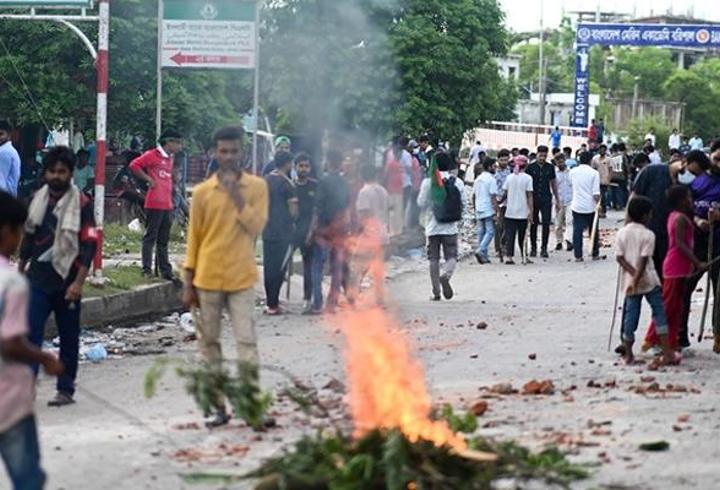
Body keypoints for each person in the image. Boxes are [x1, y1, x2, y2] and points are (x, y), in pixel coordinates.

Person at [183, 126, 269, 427]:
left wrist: (237, 197)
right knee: (209, 346)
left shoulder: (257, 187)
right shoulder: (203, 192)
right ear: (214, 153)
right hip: (207, 278)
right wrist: (187, 280)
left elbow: (257, 227)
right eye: (223, 151)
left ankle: (250, 405)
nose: (229, 156)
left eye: (234, 151)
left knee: (247, 342)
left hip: (242, 278)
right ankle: (218, 406)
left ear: (242, 153)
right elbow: (193, 238)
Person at [18, 146, 97, 407]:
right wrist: (20, 272)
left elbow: (89, 244)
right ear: (45, 173)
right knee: (31, 337)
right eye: (52, 171)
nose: (56, 176)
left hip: (68, 280)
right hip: (37, 280)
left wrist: (78, 282)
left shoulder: (83, 204)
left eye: (62, 172)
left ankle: (65, 389)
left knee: (69, 337)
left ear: (70, 174)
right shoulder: (36, 200)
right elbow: (27, 239)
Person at [0, 191, 64, 489]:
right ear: (8, 231)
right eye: (21, 232)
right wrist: (45, 359)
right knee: (27, 478)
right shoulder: (13, 282)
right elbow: (11, 343)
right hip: (8, 397)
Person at [643, 185, 706, 353]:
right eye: (688, 197)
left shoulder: (677, 216)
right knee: (668, 306)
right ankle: (653, 340)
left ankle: (671, 342)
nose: (691, 201)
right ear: (680, 200)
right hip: (675, 266)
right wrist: (697, 262)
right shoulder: (679, 218)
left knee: (677, 307)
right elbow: (679, 244)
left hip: (680, 267)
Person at [616, 196, 677, 366]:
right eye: (650, 214)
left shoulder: (622, 233)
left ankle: (628, 354)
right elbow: (644, 260)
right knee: (659, 313)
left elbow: (620, 258)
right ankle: (667, 352)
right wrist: (638, 277)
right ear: (644, 216)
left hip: (630, 282)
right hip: (650, 281)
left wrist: (633, 277)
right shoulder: (648, 235)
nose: (651, 217)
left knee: (630, 317)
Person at [679, 146, 720, 349]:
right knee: (685, 288)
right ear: (710, 157)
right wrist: (697, 220)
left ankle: (718, 337)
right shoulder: (697, 183)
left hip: (719, 247)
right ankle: (680, 336)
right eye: (717, 158)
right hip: (696, 246)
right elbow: (686, 209)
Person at [129, 129, 183, 280]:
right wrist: (148, 179)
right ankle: (146, 269)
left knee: (163, 239)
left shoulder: (169, 159)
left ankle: (165, 270)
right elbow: (134, 165)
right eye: (177, 143)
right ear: (168, 142)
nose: (179, 146)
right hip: (154, 203)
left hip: (167, 204)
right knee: (150, 237)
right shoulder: (152, 155)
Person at [417, 150, 466, 298]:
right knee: (451, 256)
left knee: (434, 259)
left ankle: (436, 292)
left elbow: (420, 202)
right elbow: (463, 203)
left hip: (432, 227)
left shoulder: (428, 182)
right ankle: (446, 275)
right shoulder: (457, 182)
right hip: (450, 227)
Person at [309, 149, 351, 314]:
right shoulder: (344, 183)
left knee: (317, 266)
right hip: (340, 230)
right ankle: (331, 304)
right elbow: (347, 207)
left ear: (328, 162)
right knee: (336, 267)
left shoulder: (323, 182)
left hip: (324, 230)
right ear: (340, 163)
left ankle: (317, 303)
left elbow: (317, 207)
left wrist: (312, 229)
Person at [262, 151, 297, 315]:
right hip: (283, 231)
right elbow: (293, 211)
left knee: (269, 267)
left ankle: (270, 302)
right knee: (279, 268)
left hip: (267, 229)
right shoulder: (287, 184)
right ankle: (273, 304)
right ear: (288, 163)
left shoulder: (265, 180)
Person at [350, 164, 389, 306]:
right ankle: (380, 300)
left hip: (369, 235)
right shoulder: (383, 191)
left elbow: (363, 216)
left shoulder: (364, 192)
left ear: (361, 175)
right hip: (383, 234)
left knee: (357, 267)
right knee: (377, 269)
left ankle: (352, 298)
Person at [631, 152, 674, 280]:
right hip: (652, 228)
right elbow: (633, 200)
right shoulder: (650, 172)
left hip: (670, 235)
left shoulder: (691, 180)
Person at [292, 153, 317, 313]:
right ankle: (273, 300)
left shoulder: (315, 186)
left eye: (306, 166)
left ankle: (307, 299)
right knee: (279, 264)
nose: (304, 169)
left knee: (308, 267)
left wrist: (310, 232)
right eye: (301, 166)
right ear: (295, 167)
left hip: (309, 231)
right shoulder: (290, 186)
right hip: (292, 231)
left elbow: (316, 211)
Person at [525, 145, 559, 258]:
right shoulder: (530, 167)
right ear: (537, 154)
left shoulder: (550, 167)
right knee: (533, 223)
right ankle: (533, 247)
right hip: (533, 198)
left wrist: (557, 198)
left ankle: (544, 248)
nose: (542, 158)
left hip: (546, 198)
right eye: (540, 155)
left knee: (546, 223)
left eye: (544, 156)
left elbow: (553, 183)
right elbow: (526, 184)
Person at [501, 155, 533, 265]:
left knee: (510, 236)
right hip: (523, 212)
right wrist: (531, 211)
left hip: (510, 211)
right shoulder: (528, 178)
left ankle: (509, 257)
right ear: (526, 165)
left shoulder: (509, 177)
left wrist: (499, 202)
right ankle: (524, 256)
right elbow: (529, 195)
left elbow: (505, 193)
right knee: (522, 236)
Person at [569, 152, 601, 261]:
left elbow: (570, 185)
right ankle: (595, 253)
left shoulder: (572, 172)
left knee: (577, 230)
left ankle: (578, 255)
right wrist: (599, 205)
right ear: (590, 160)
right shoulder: (594, 173)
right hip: (590, 206)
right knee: (593, 230)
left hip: (577, 205)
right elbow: (596, 193)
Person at [473, 157, 498, 264]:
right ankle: (481, 250)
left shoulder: (478, 179)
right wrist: (496, 211)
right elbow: (493, 197)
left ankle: (484, 256)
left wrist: (474, 207)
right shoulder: (491, 179)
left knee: (481, 232)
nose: (495, 168)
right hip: (488, 207)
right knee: (490, 231)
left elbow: (473, 195)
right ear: (489, 167)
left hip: (479, 207)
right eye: (494, 166)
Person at [384, 141, 405, 237]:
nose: (400, 155)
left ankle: (398, 231)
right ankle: (393, 231)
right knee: (392, 211)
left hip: (399, 190)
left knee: (398, 211)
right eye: (399, 153)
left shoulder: (398, 163)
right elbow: (386, 174)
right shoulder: (391, 163)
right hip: (392, 190)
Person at [494, 149, 512, 261]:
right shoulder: (495, 172)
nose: (504, 162)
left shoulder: (511, 172)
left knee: (507, 226)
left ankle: (504, 245)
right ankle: (498, 248)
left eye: (506, 160)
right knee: (498, 226)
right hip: (497, 202)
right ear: (498, 160)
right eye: (502, 160)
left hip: (509, 202)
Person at [553, 152, 573, 251]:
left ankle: (568, 240)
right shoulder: (554, 173)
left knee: (569, 222)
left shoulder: (571, 172)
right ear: (555, 162)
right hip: (558, 201)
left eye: (561, 161)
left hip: (570, 200)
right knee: (558, 224)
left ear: (565, 160)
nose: (560, 163)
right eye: (558, 161)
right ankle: (558, 242)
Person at [0, 121, 20, 197]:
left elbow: (1, 182)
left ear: (9, 135)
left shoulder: (4, 152)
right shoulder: (10, 150)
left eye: (1, 134)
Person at [591, 144, 612, 217]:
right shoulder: (595, 159)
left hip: (604, 180)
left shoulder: (608, 159)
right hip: (596, 180)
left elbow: (610, 170)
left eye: (603, 150)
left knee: (603, 197)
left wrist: (609, 180)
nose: (602, 151)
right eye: (600, 149)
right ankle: (598, 211)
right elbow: (592, 169)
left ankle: (603, 211)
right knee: (597, 196)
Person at [609, 143, 628, 210]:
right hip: (620, 175)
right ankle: (620, 204)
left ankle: (614, 204)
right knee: (620, 190)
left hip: (612, 175)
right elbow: (626, 166)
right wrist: (627, 173)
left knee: (613, 190)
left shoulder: (610, 157)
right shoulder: (622, 156)